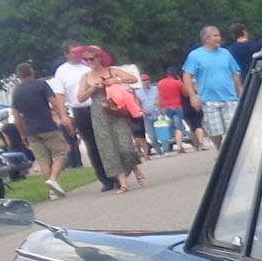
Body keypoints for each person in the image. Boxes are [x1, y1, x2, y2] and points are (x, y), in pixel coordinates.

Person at [52, 39, 119, 192]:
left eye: (79, 50)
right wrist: (63, 115)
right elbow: (60, 94)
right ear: (67, 54)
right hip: (80, 109)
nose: (79, 55)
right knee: (92, 145)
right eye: (74, 52)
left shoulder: (88, 63)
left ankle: (116, 174)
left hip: (98, 105)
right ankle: (104, 178)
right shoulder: (62, 71)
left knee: (106, 141)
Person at [78, 47, 145, 188]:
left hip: (116, 110)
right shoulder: (85, 77)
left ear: (99, 58)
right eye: (86, 59)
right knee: (107, 148)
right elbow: (80, 97)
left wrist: (116, 79)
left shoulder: (111, 70)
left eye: (92, 58)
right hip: (98, 113)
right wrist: (93, 88)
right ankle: (122, 183)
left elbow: (132, 78)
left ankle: (135, 169)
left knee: (125, 146)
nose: (89, 62)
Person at [10, 61, 72, 196]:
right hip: (47, 126)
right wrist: (62, 116)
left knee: (43, 160)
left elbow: (16, 116)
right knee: (61, 154)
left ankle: (52, 192)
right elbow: (54, 102)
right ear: (32, 72)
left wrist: (22, 133)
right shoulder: (41, 85)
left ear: (18, 76)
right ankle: (53, 180)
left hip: (31, 130)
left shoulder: (16, 91)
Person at [182, 25, 243, 151]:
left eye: (219, 35)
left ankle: (234, 151)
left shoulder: (225, 53)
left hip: (229, 97)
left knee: (233, 128)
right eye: (215, 36)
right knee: (214, 130)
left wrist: (240, 90)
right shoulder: (195, 55)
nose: (219, 38)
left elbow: (235, 73)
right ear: (206, 39)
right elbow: (187, 75)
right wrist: (193, 96)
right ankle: (220, 150)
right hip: (209, 99)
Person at [155, 68, 190, 152]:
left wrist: (159, 109)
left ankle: (173, 143)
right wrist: (180, 81)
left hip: (166, 107)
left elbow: (158, 97)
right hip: (177, 106)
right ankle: (179, 146)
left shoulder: (160, 83)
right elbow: (185, 93)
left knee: (172, 126)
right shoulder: (177, 83)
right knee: (178, 127)